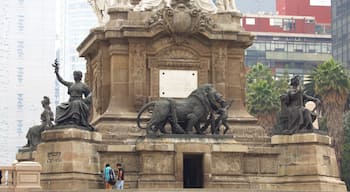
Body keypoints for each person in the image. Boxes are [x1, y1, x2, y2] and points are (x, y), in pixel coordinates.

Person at [52, 59, 93, 130]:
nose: (74, 76)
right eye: (74, 75)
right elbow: (62, 80)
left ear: (79, 76)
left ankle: (75, 120)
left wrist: (84, 100)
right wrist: (56, 72)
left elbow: (90, 94)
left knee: (76, 104)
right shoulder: (71, 84)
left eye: (76, 75)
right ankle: (60, 122)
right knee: (59, 107)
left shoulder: (83, 85)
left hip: (79, 102)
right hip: (70, 102)